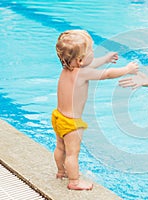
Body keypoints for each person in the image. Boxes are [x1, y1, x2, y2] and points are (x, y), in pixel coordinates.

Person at [52, 30, 138, 190]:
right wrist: (127, 69)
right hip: (71, 123)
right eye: (91, 51)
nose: (93, 53)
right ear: (79, 60)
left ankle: (60, 171)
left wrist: (105, 59)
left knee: (60, 147)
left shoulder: (68, 69)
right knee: (72, 153)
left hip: (58, 117)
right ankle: (74, 181)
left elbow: (89, 64)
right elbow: (107, 74)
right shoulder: (82, 73)